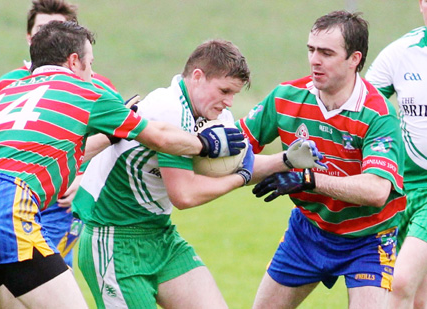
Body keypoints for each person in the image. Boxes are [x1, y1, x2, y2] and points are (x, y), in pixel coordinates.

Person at [0, 21, 245, 309]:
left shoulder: (7, 92)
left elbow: (51, 152)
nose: (92, 72)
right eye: (90, 63)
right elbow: (160, 137)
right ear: (74, 61)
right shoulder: (87, 92)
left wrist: (107, 136)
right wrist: (207, 144)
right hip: (7, 209)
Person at [72, 38, 327, 308]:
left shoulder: (216, 119)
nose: (229, 103)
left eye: (234, 95)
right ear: (197, 77)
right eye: (224, 90)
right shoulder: (168, 109)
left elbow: (242, 167)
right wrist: (239, 179)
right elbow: (185, 195)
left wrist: (286, 159)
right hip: (113, 239)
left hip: (160, 235)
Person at [237, 11, 406, 308]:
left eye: (327, 53)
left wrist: (308, 179)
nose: (315, 60)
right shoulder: (284, 98)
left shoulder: (377, 114)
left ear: (354, 59)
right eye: (311, 50)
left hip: (369, 238)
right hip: (308, 232)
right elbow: (237, 152)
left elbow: (377, 190)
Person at [0, 0, 116, 269]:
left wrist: (86, 178)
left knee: (48, 280)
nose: (51, 35)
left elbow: (122, 137)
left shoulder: (96, 87)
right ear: (30, 37)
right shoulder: (6, 86)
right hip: (4, 199)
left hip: (61, 205)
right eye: (43, 28)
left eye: (59, 28)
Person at [365, 1, 427, 307]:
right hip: (401, 187)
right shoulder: (401, 52)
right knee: (418, 297)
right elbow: (365, 105)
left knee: (399, 282)